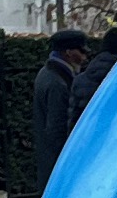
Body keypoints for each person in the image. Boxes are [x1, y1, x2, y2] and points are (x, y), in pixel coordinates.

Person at [28, 27, 94, 186]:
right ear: (68, 52)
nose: (85, 57)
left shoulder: (46, 74)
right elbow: (57, 129)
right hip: (58, 166)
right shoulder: (58, 83)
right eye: (81, 52)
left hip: (49, 161)